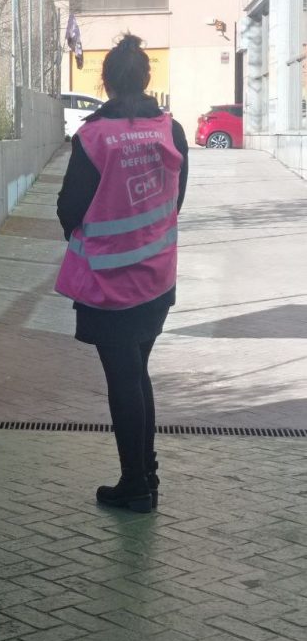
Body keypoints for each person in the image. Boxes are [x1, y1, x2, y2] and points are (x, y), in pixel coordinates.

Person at [55, 34, 188, 513]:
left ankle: (137, 483)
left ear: (105, 81)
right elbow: (176, 199)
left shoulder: (93, 136)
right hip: (157, 278)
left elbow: (69, 207)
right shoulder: (170, 130)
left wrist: (93, 238)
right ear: (146, 79)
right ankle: (145, 473)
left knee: (124, 378)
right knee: (137, 373)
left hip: (110, 284)